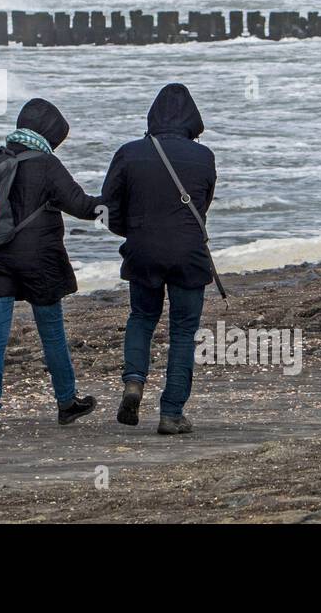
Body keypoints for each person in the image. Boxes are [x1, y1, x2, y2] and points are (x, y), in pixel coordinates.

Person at [0, 98, 102, 434]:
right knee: (52, 333)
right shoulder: (47, 165)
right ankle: (67, 403)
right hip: (40, 260)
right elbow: (81, 206)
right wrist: (118, 201)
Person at [100, 83, 217, 435]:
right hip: (188, 253)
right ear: (192, 120)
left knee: (142, 317)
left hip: (143, 251)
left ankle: (134, 380)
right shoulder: (204, 157)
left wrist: (133, 232)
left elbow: (108, 208)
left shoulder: (129, 153)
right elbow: (203, 205)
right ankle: (171, 413)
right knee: (183, 331)